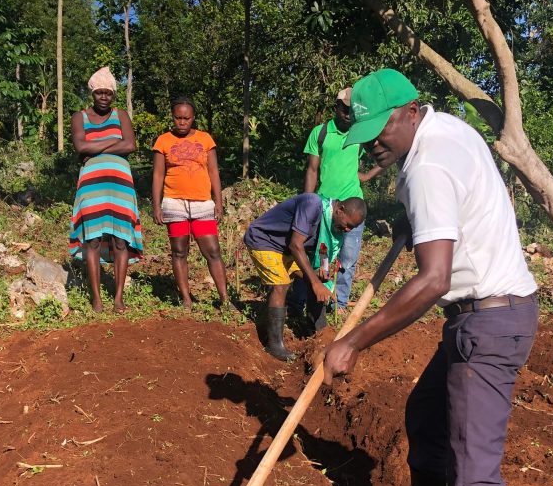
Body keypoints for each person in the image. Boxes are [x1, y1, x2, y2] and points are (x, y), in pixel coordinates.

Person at [322, 69, 539, 486]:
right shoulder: (447, 133)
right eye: (366, 133)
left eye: (380, 129)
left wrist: (354, 341)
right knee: (425, 415)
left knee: (475, 470)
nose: (374, 144)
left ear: (410, 110)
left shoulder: (427, 165)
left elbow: (433, 280)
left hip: (487, 321)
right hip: (484, 313)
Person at [289, 87, 383, 319]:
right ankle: (301, 302)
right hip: (324, 208)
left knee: (347, 260)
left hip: (352, 209)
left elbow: (387, 153)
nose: (349, 115)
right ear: (336, 107)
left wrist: (367, 176)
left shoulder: (361, 134)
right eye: (345, 109)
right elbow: (312, 170)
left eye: (354, 111)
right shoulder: (320, 133)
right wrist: (306, 202)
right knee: (316, 257)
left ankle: (338, 304)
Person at [244, 193, 366, 361]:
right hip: (264, 240)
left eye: (352, 228)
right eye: (348, 225)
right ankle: (274, 345)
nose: (348, 230)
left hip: (285, 250)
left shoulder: (333, 223)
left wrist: (321, 274)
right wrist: (315, 283)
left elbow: (324, 246)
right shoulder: (312, 204)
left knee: (316, 279)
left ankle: (317, 333)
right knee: (282, 285)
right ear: (340, 210)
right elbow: (296, 244)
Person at [69, 66, 144, 313]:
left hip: (121, 185)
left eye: (108, 93)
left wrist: (96, 145)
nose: (104, 97)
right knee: (92, 239)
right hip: (91, 185)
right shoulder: (80, 117)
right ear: (92, 93)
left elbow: (131, 145)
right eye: (100, 93)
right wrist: (114, 141)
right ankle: (96, 298)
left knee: (120, 239)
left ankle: (119, 297)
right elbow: (80, 147)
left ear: (113, 95)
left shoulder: (121, 115)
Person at [151, 97, 228, 308]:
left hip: (202, 203)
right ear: (172, 117)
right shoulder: (163, 141)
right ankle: (186, 299)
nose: (182, 122)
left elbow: (213, 172)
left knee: (212, 250)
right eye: (178, 118)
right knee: (179, 251)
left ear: (193, 118)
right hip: (174, 202)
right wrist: (156, 205)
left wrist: (218, 203)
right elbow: (158, 175)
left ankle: (224, 298)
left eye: (186, 118)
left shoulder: (205, 139)